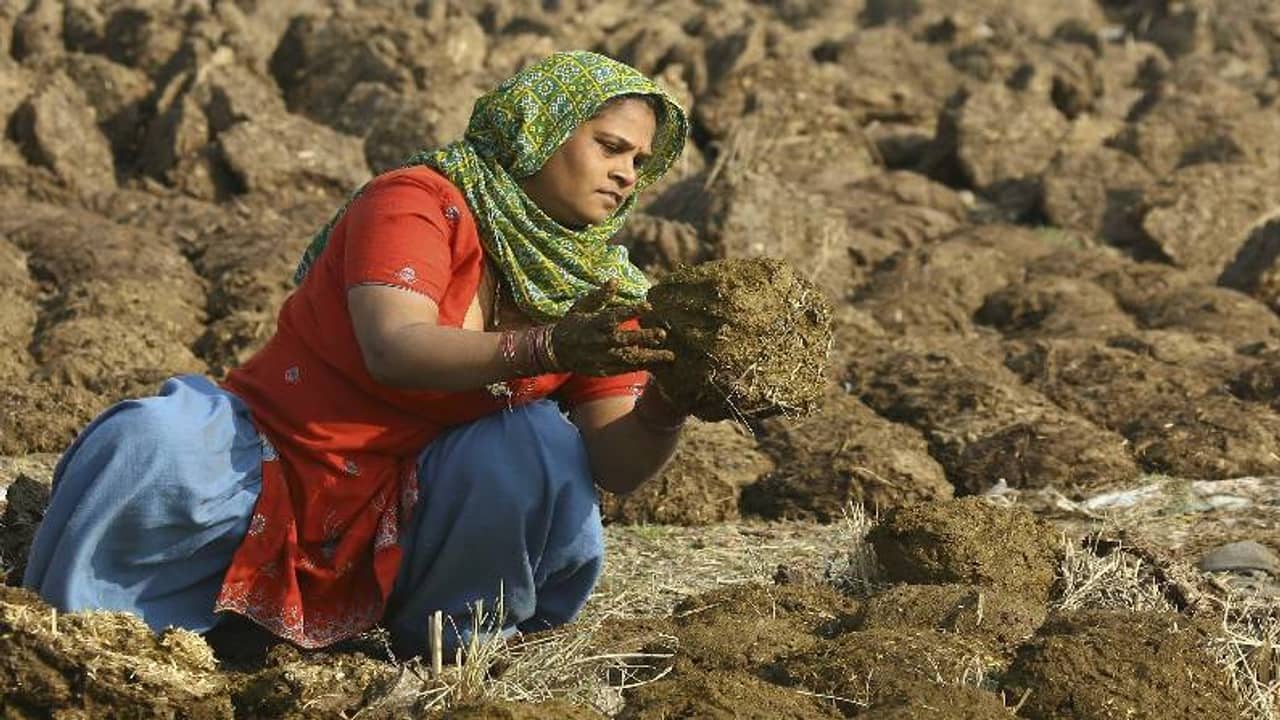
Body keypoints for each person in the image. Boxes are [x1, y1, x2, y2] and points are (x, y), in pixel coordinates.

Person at [23, 50, 691, 657]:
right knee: (152, 442)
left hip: (424, 508)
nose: (627, 175)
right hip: (278, 456)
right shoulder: (420, 200)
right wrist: (546, 344)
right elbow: (394, 347)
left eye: (640, 162)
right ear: (539, 128)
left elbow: (617, 463)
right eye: (611, 148)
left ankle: (458, 644)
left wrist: (672, 402)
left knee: (538, 443)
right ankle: (87, 638)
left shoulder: (603, 287)